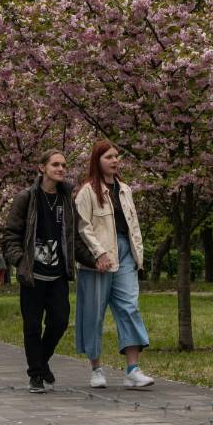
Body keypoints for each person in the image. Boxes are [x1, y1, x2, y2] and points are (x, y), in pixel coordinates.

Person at [74, 140, 153, 389]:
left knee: (129, 307)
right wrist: (98, 253)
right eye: (109, 156)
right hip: (99, 257)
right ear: (97, 160)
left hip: (125, 254)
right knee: (93, 313)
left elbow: (134, 226)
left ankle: (133, 369)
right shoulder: (87, 191)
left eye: (117, 156)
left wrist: (138, 256)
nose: (115, 160)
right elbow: (83, 227)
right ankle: (96, 369)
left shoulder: (125, 190)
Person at [2, 151, 76, 394]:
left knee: (59, 321)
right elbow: (11, 235)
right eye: (55, 164)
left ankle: (41, 362)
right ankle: (36, 375)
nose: (61, 168)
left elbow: (74, 236)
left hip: (57, 275)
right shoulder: (26, 197)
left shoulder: (66, 198)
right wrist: (20, 261)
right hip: (33, 275)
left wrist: (96, 258)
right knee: (32, 326)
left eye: (64, 165)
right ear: (42, 168)